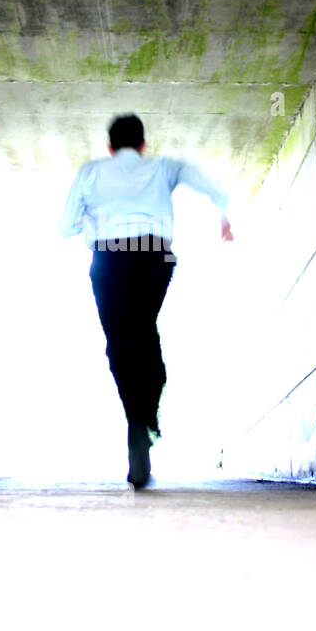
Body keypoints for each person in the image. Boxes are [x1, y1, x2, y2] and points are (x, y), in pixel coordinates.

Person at [58, 114, 233, 488]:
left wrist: (92, 224)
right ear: (142, 145)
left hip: (109, 258)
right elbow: (207, 183)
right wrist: (224, 216)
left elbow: (65, 227)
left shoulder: (91, 172)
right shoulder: (163, 167)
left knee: (120, 343)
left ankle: (137, 421)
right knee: (143, 329)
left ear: (109, 147)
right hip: (154, 255)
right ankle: (148, 413)